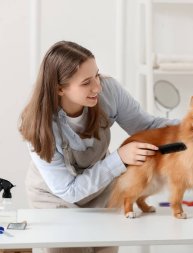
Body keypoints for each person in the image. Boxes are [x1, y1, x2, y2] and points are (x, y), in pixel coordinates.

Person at [19, 41, 178, 253]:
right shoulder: (39, 126)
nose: (97, 87)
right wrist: (120, 159)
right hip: (55, 197)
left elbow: (146, 126)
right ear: (59, 88)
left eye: (97, 75)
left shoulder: (109, 92)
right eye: (86, 82)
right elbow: (69, 190)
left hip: (102, 190)